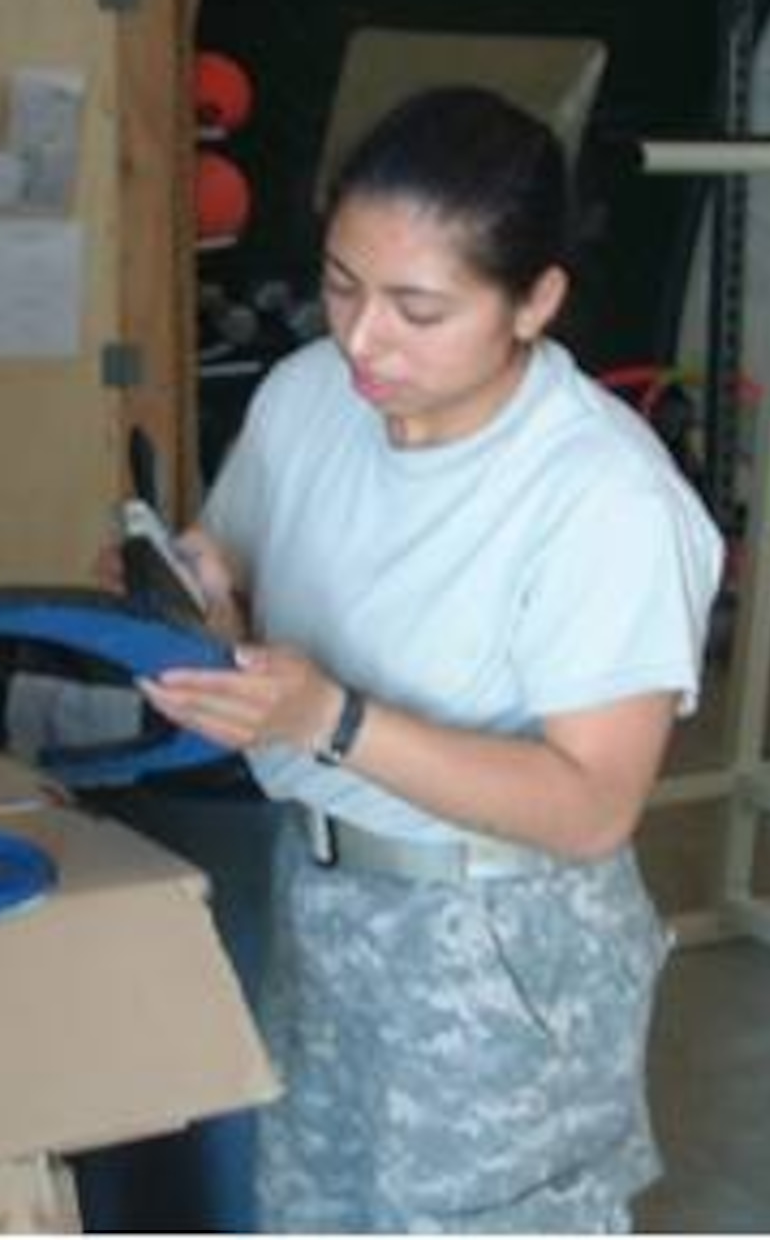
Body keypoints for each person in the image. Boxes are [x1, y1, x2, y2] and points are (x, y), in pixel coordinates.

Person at [138, 85, 724, 1233]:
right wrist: (196, 589)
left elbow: (591, 804)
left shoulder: (601, 496)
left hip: (498, 952)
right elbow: (241, 559)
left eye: (417, 307)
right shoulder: (309, 395)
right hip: (317, 896)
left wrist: (332, 719)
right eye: (343, 284)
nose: (363, 337)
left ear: (533, 301)